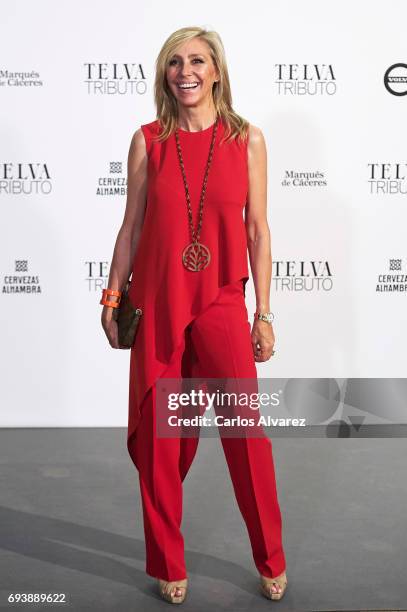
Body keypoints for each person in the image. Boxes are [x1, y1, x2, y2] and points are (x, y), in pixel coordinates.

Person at [100, 25, 288, 604]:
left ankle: (271, 557)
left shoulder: (247, 139)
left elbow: (257, 229)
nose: (186, 71)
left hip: (223, 302)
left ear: (216, 71)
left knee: (245, 437)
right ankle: (167, 560)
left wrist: (264, 311)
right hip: (158, 304)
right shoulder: (147, 140)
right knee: (163, 443)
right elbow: (131, 226)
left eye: (197, 61)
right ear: (165, 74)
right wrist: (112, 297)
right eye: (175, 62)